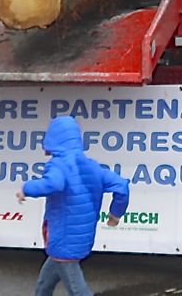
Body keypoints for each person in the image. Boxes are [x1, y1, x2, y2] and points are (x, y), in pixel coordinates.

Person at [16, 115, 130, 296]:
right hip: (79, 237)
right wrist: (115, 214)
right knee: (44, 284)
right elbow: (122, 186)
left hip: (63, 238)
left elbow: (54, 183)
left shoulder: (58, 165)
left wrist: (26, 189)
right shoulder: (92, 167)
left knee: (78, 291)